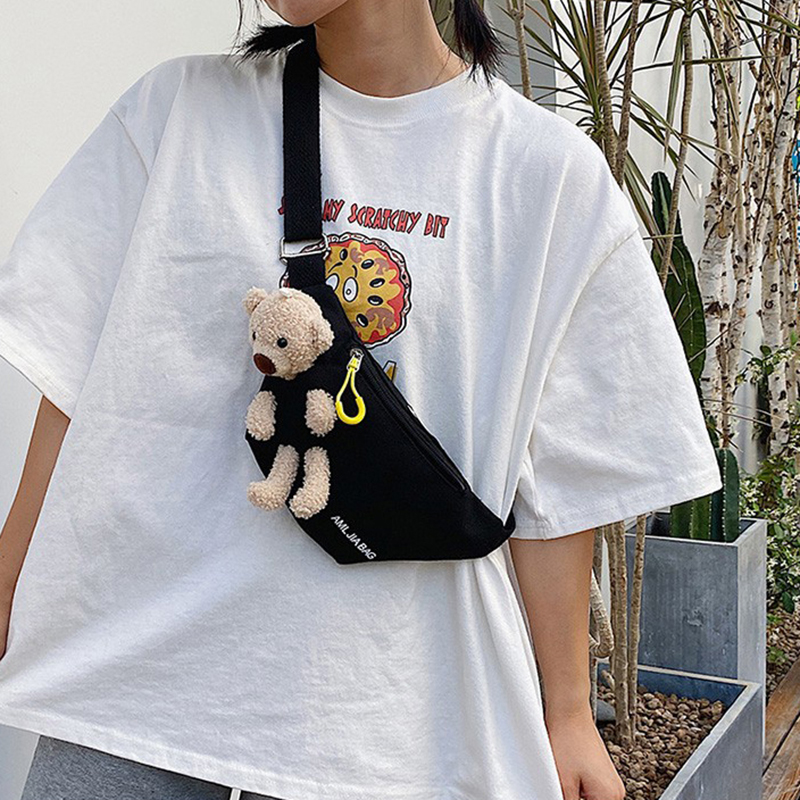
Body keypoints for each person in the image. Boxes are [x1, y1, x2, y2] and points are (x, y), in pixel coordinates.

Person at [0, 1, 722, 799]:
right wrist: (7, 575)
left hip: (376, 711)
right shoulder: (175, 115)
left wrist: (567, 713)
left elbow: (559, 482)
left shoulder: (543, 176)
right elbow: (73, 367)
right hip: (137, 674)